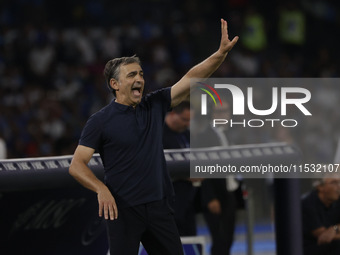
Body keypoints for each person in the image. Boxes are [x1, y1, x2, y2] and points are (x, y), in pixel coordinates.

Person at [68, 19, 238, 255]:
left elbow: (191, 78)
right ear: (115, 84)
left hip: (159, 208)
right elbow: (77, 165)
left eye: (140, 73)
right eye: (131, 75)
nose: (139, 79)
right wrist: (100, 189)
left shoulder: (155, 104)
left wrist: (219, 55)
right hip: (123, 211)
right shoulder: (100, 121)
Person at [163, 101, 200, 237]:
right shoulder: (158, 134)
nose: (187, 124)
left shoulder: (186, 133)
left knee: (190, 238)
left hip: (187, 199)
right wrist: (186, 175)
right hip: (168, 201)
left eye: (190, 120)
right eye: (184, 119)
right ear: (173, 114)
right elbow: (156, 166)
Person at [301, 175, 340, 255]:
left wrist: (335, 229)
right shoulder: (308, 204)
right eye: (334, 183)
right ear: (320, 187)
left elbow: (332, 233)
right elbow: (324, 236)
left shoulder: (337, 200)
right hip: (309, 248)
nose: (339, 186)